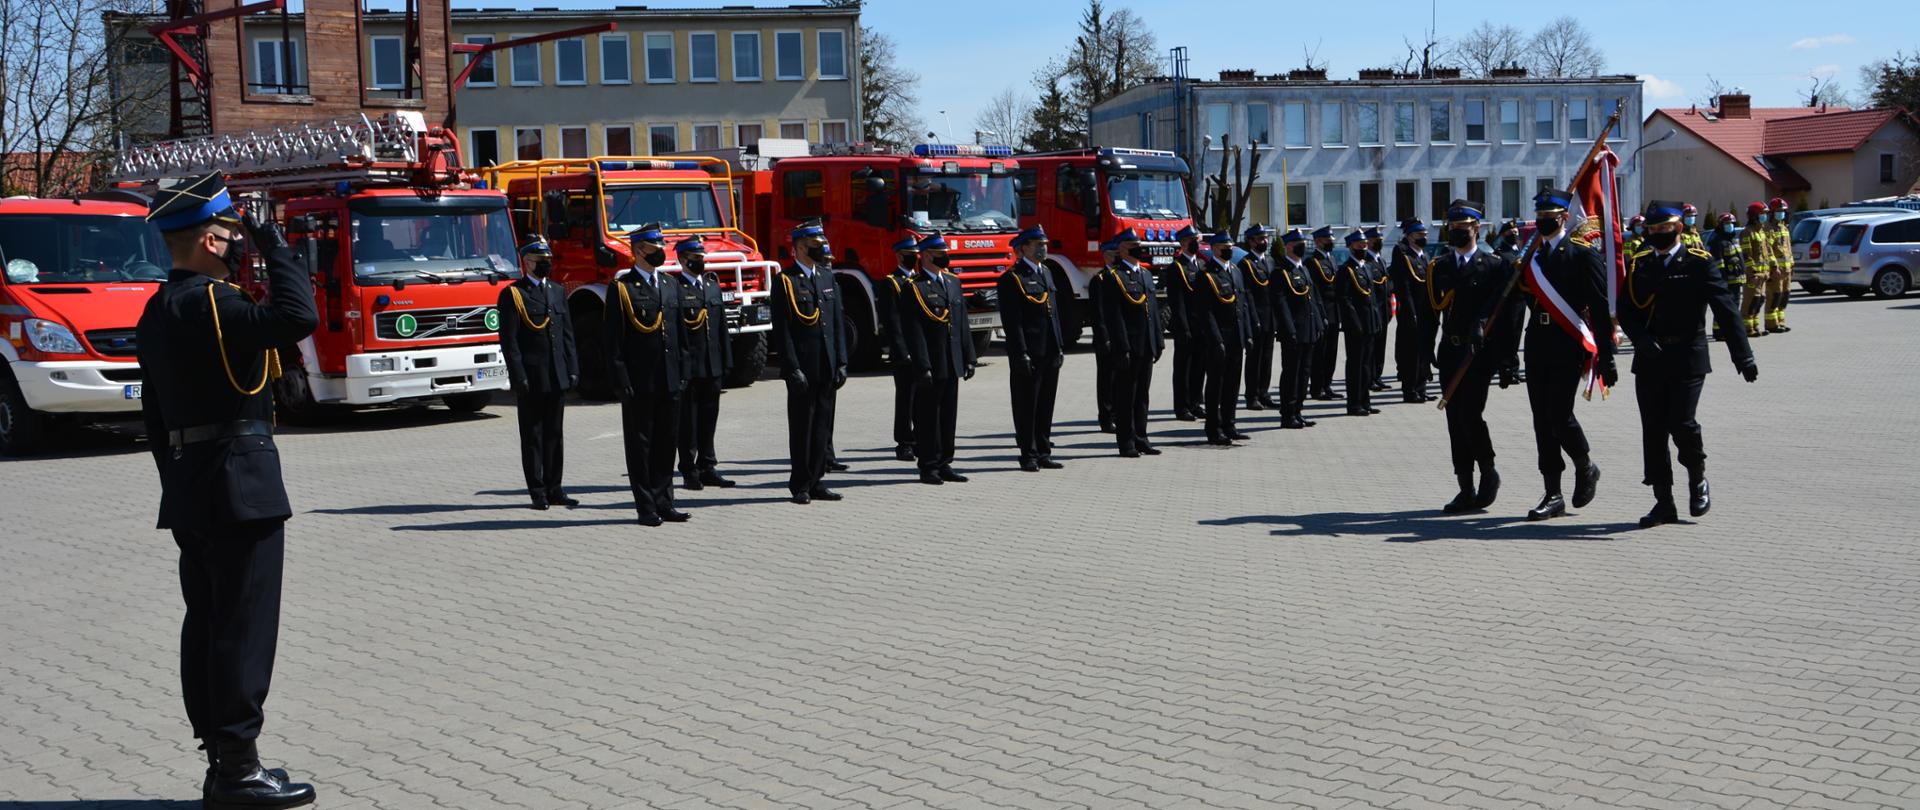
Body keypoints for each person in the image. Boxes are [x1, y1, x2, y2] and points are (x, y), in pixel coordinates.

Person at [136, 172, 320, 808]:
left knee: (209, 624)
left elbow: (155, 416)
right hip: (241, 484)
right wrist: (276, 243)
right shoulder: (216, 304)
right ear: (212, 242)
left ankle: (223, 762)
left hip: (191, 485)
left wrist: (176, 480)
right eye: (231, 235)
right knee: (243, 628)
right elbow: (298, 316)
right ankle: (239, 771)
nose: (238, 245)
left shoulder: (157, 309)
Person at [1618, 201, 1759, 528]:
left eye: (1664, 229)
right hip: (1651, 359)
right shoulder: (1640, 263)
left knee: (1682, 424)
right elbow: (1626, 309)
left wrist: (1743, 356)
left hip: (1687, 356)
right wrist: (1640, 339)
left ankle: (1697, 478)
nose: (1657, 234)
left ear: (1679, 228)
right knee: (1654, 430)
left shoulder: (1698, 262)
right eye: (1653, 229)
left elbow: (1726, 309)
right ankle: (1663, 502)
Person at [1516, 189, 1615, 521]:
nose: (1544, 221)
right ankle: (1553, 493)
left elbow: (1599, 306)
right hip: (1537, 342)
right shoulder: (1531, 258)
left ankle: (1585, 465)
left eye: (1550, 217)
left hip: (1568, 342)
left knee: (1559, 414)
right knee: (1541, 420)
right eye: (1540, 217)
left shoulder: (1582, 255)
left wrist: (1607, 356)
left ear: (1564, 218)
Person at [1431, 200, 1523, 513]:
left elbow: (1507, 315)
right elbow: (1431, 311)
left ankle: (1488, 470)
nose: (1457, 232)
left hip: (1478, 355)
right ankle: (1465, 487)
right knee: (1454, 420)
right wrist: (1424, 349)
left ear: (1477, 229)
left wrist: (1508, 360)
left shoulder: (1494, 266)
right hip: (1450, 351)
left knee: (1470, 415)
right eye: (1453, 227)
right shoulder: (1440, 266)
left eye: (1463, 227)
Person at [606, 228, 689, 526]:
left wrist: (684, 371)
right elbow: (613, 342)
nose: (661, 251)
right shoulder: (622, 288)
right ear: (640, 250)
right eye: (656, 246)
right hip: (640, 380)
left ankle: (665, 501)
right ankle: (646, 506)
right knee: (641, 445)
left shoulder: (670, 284)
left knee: (667, 442)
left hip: (670, 377)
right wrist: (621, 380)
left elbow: (680, 335)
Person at [499, 237, 580, 510]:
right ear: (527, 262)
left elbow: (567, 335)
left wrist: (572, 368)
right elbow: (510, 341)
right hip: (532, 376)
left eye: (548, 260)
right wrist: (518, 375)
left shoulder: (556, 291)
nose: (546, 264)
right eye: (541, 261)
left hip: (556, 373)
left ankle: (555, 488)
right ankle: (537, 491)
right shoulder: (514, 294)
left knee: (555, 434)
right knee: (533, 436)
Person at [772, 220, 847, 504]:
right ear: (800, 248)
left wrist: (841, 361)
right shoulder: (786, 281)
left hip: (826, 364)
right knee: (803, 428)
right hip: (803, 368)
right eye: (815, 246)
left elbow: (837, 323)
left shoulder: (827, 277)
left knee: (821, 428)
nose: (821, 250)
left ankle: (817, 480)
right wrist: (792, 368)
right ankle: (800, 484)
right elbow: (783, 331)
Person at [899, 233, 976, 483]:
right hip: (932, 362)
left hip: (952, 360)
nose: (945, 257)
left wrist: (969, 356)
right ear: (927, 256)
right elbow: (914, 331)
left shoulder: (952, 282)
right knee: (928, 416)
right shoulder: (915, 287)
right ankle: (929, 465)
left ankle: (945, 462)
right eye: (940, 253)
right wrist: (922, 365)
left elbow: (962, 323)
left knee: (948, 416)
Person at [998, 226, 1065, 471]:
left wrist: (1059, 346)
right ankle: (1028, 454)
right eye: (1038, 244)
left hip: (1049, 349)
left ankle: (1044, 451)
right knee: (1027, 405)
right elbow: (1013, 322)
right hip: (1029, 352)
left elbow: (1053, 314)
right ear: (1023, 248)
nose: (1043, 248)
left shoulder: (1046, 272)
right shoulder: (1012, 278)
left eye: (1044, 244)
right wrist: (1021, 353)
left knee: (1046, 404)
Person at [674, 237, 736, 491]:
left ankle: (708, 466)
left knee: (709, 419)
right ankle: (689, 470)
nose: (700, 261)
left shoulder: (711, 285)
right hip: (690, 367)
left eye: (701, 257)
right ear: (682, 260)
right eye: (695, 258)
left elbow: (721, 327)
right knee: (688, 422)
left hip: (713, 364)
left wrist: (727, 360)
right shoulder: (675, 288)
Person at [1097, 228, 1164, 457]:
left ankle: (1141, 437)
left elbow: (1152, 312)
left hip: (1146, 344)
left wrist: (1158, 340)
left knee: (1142, 395)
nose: (1139, 249)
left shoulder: (1145, 275)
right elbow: (1115, 317)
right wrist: (1122, 347)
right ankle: (1126, 442)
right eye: (1134, 245)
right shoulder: (1114, 277)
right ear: (1122, 249)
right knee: (1126, 396)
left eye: (1139, 245)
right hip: (1129, 346)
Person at [1193, 232, 1250, 444]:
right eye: (1225, 246)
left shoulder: (1235, 271)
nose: (1229, 249)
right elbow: (1205, 313)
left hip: (1236, 336)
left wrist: (1247, 333)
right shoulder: (1206, 275)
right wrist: (1216, 340)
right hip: (1219, 338)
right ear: (1215, 248)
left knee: (1233, 384)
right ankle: (1213, 428)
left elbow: (1242, 305)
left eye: (1230, 246)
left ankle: (1229, 424)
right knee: (1216, 384)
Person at [1332, 229, 1386, 418]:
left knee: (1366, 365)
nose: (1363, 247)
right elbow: (1344, 300)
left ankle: (1365, 401)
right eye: (1359, 245)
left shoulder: (1366, 267)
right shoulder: (1346, 270)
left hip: (1369, 322)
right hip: (1356, 326)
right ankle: (1354, 404)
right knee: (1356, 365)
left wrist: (1376, 320)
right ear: (1350, 247)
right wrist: (1355, 323)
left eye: (1364, 245)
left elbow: (1372, 298)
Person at [1272, 228, 1322, 429]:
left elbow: (1312, 299)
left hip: (1308, 329)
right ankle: (1288, 414)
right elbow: (1281, 304)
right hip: (1293, 332)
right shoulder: (1281, 272)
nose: (1302, 247)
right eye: (1298, 244)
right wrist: (1290, 330)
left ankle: (1298, 411)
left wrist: (1318, 323)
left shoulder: (1304, 269)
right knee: (1291, 374)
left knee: (1304, 373)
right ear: (1289, 247)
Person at [878, 237, 919, 460]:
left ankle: (921, 437)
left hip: (921, 349)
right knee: (906, 398)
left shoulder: (919, 280)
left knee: (922, 397)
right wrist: (902, 351)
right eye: (910, 254)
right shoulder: (892, 283)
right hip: (905, 351)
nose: (915, 257)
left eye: (916, 254)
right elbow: (892, 322)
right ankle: (904, 442)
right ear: (899, 256)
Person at [1389, 220, 1435, 403]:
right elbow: (1404, 287)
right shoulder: (1404, 256)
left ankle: (1421, 388)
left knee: (1423, 351)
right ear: (1409, 237)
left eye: (1425, 235)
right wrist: (1411, 312)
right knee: (1411, 353)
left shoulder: (1423, 256)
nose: (1424, 237)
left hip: (1425, 311)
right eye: (1419, 235)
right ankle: (1410, 390)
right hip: (1412, 311)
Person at [1236, 225, 1279, 410]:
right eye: (1260, 239)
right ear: (1251, 241)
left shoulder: (1270, 261)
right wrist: (1254, 319)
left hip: (1270, 317)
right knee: (1254, 359)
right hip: (1256, 317)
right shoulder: (1245, 264)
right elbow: (1247, 295)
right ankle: (1251, 396)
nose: (1264, 241)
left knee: (1267, 358)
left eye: (1265, 238)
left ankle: (1264, 393)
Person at [1164, 225, 1204, 420]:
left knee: (1199, 366)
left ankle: (1196, 403)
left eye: (1197, 239)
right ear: (1183, 243)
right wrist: (1183, 327)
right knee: (1183, 368)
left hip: (1200, 325)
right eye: (1192, 240)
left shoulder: (1201, 265)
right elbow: (1177, 302)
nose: (1196, 243)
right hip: (1185, 325)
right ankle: (1182, 407)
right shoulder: (1176, 268)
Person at [1305, 225, 1342, 400]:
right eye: (1327, 240)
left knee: (1331, 352)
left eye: (1331, 240)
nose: (1330, 243)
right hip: (1322, 313)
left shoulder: (1331, 259)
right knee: (1320, 352)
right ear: (1318, 241)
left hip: (1334, 312)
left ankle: (1327, 384)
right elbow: (1315, 291)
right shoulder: (1313, 262)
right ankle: (1317, 387)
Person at [1088, 237, 1118, 433]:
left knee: (1120, 379)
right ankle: (1106, 418)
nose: (1118, 258)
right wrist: (1104, 338)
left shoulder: (1121, 277)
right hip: (1105, 338)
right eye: (1115, 255)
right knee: (1107, 380)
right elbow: (1097, 314)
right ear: (1106, 256)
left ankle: (1118, 414)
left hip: (1121, 337)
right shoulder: (1099, 280)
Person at [1705, 213, 1749, 343]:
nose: (1730, 226)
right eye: (1727, 224)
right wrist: (1721, 281)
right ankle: (1718, 331)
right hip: (1726, 281)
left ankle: (1729, 330)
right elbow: (1718, 264)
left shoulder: (1733, 240)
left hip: (1737, 280)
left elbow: (1740, 259)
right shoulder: (1717, 242)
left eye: (1731, 224)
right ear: (1720, 226)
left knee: (1734, 306)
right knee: (1723, 307)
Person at [1364, 227, 1393, 393]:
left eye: (1380, 239)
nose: (1379, 242)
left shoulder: (1381, 260)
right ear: (1368, 242)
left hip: (1384, 310)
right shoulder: (1366, 261)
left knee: (1381, 345)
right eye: (1376, 240)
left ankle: (1377, 376)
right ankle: (1370, 378)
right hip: (1374, 310)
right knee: (1372, 346)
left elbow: (1388, 285)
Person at [1739, 202, 1771, 338]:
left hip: (1763, 274)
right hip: (1754, 275)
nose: (1765, 216)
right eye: (1762, 214)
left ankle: (1754, 327)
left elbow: (1766, 253)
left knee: (1759, 300)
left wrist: (1770, 270)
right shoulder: (1747, 232)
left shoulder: (1761, 232)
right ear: (1754, 216)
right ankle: (1746, 329)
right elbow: (1746, 255)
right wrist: (1752, 273)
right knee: (1750, 301)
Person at [1765, 197, 1793, 334]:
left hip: (1787, 269)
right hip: (1776, 270)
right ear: (1772, 212)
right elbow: (1768, 250)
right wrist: (1773, 267)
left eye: (1783, 211)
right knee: (1774, 296)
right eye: (1778, 211)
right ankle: (1771, 324)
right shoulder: (1768, 229)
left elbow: (1788, 248)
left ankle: (1780, 322)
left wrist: (1792, 265)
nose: (1781, 213)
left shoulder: (1784, 228)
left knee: (1784, 296)